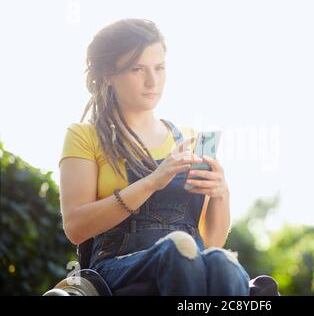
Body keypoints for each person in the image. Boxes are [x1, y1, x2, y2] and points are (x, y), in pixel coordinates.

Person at [59, 18, 251, 295]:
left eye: (159, 68)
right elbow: (76, 227)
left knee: (222, 262)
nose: (153, 81)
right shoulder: (84, 135)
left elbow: (210, 243)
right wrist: (152, 181)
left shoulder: (189, 139)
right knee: (176, 249)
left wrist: (221, 193)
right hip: (115, 267)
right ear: (107, 74)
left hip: (190, 266)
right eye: (138, 69)